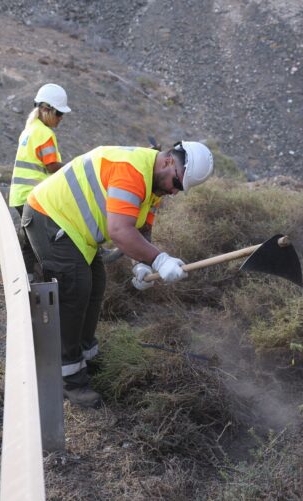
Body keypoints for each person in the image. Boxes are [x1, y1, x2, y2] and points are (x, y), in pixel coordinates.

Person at [22, 141, 214, 407]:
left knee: (95, 284)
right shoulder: (132, 170)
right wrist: (159, 259)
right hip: (48, 216)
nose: (175, 192)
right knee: (75, 290)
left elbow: (142, 229)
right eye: (177, 184)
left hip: (75, 231)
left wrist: (142, 264)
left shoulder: (154, 183)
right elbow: (120, 231)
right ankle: (69, 378)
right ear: (170, 161)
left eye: (180, 189)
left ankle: (86, 358)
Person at [9, 83, 70, 278]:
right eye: (59, 113)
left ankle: (28, 280)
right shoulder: (45, 133)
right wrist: (73, 167)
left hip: (20, 196)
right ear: (46, 109)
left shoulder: (29, 130)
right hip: (34, 197)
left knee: (29, 240)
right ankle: (38, 283)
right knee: (46, 244)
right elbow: (52, 166)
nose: (61, 118)